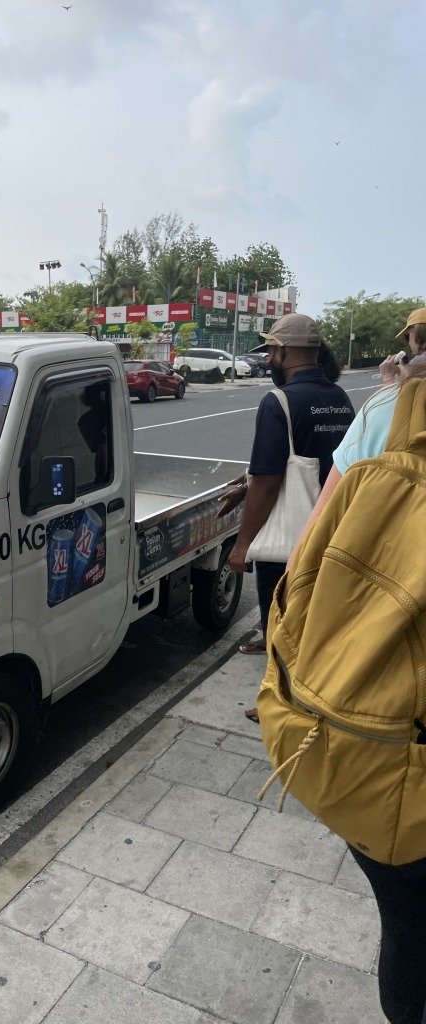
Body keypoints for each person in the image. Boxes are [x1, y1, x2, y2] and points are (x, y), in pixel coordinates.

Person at [286, 310, 426, 1024]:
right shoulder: (353, 400)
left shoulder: (380, 413)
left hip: (376, 736)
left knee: (409, 929)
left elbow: (309, 563)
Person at [218, 313, 355, 721]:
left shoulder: (278, 401)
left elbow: (268, 481)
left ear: (280, 352)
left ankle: (281, 704)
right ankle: (311, 687)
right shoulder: (339, 398)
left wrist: (242, 544)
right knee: (314, 615)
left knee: (279, 616)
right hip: (331, 526)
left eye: (271, 352)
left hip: (289, 537)